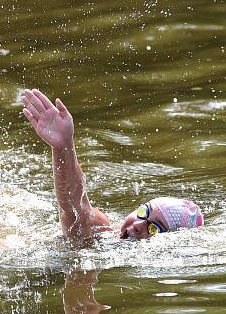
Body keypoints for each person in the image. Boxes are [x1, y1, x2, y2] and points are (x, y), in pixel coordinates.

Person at [21, 89, 204, 242]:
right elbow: (75, 205)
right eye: (144, 212)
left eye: (155, 228)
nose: (139, 224)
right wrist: (64, 147)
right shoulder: (101, 231)